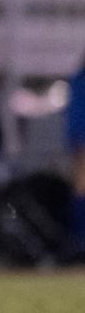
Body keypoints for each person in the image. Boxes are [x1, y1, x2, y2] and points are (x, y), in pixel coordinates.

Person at [63, 59, 85, 259]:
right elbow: (76, 117)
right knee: (81, 184)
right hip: (82, 143)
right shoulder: (80, 80)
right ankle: (80, 240)